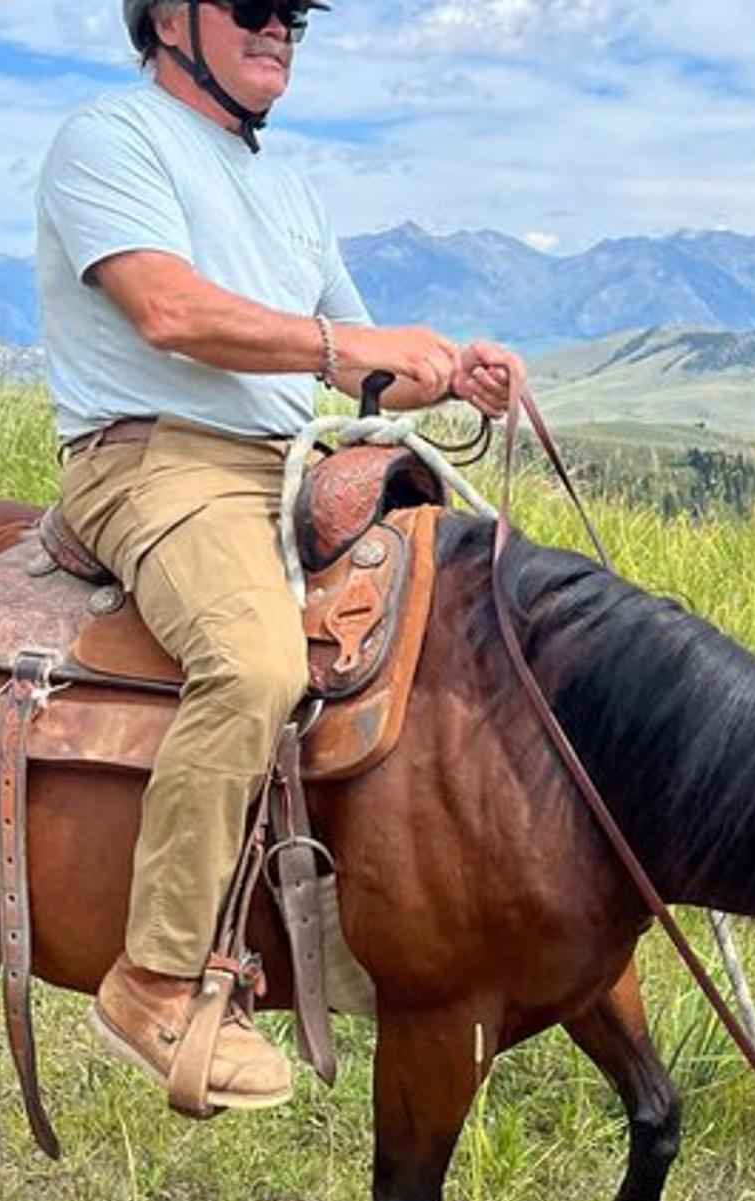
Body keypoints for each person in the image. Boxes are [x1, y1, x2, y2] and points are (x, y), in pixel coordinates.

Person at [41, 0, 525, 1107]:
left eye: (294, 17)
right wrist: (340, 346)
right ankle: (156, 976)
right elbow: (167, 311)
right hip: (157, 460)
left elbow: (364, 373)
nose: (280, 31)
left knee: (465, 616)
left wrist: (449, 371)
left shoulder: (288, 190)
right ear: (168, 17)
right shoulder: (110, 140)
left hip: (290, 461)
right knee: (255, 663)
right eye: (253, 7)